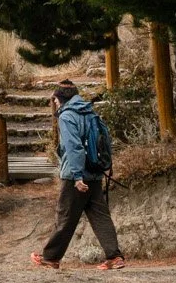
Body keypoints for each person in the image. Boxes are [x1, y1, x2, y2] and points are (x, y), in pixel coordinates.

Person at [33, 81, 123, 270]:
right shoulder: (90, 112)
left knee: (65, 216)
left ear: (61, 98)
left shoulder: (67, 116)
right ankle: (115, 257)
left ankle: (50, 258)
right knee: (100, 216)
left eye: (55, 99)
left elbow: (74, 147)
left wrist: (77, 176)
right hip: (95, 172)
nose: (54, 102)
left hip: (76, 175)